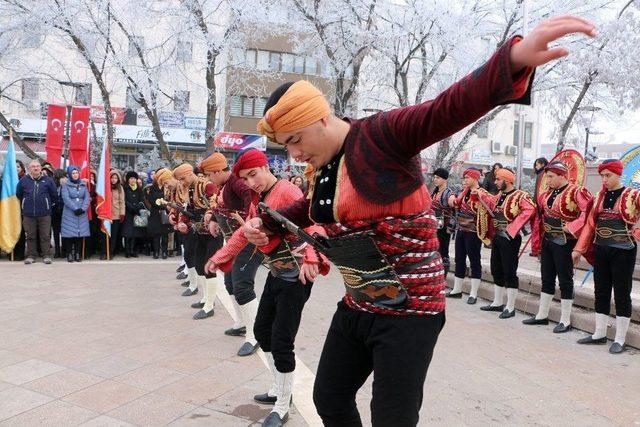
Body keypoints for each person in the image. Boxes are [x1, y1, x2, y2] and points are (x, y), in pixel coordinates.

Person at [239, 15, 595, 426]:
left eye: (295, 140)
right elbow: (309, 210)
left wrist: (512, 59)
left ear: (320, 118)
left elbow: (443, 110)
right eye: (287, 146)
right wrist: (266, 224)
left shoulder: (383, 136)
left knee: (392, 417)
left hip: (411, 308)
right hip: (359, 302)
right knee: (329, 397)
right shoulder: (322, 169)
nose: (295, 154)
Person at [205, 149, 329, 426]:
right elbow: (243, 232)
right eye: (246, 179)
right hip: (276, 274)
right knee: (262, 331)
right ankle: (278, 388)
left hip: (296, 278)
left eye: (254, 174)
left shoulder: (286, 191)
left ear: (265, 166)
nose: (251, 182)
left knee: (282, 340)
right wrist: (220, 257)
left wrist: (312, 255)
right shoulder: (259, 198)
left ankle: (284, 405)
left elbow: (316, 223)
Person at [573, 159, 640, 354]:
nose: (604, 179)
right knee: (601, 291)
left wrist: (635, 232)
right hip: (601, 248)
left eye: (608, 176)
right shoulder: (598, 196)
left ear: (618, 174)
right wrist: (578, 249)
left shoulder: (633, 195)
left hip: (623, 250)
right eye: (602, 176)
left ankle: (620, 338)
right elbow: (590, 225)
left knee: (621, 292)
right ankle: (599, 333)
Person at [201, 152, 264, 356]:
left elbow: (251, 198)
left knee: (242, 285)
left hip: (248, 241)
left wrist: (249, 218)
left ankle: (255, 336)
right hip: (235, 241)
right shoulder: (224, 186)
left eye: (210, 175)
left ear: (219, 171)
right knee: (230, 283)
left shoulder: (236, 182)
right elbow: (220, 207)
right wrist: (212, 217)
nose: (209, 179)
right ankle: (241, 323)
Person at [524, 161, 593, 332]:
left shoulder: (576, 191)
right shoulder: (548, 193)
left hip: (565, 241)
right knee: (546, 277)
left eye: (550, 177)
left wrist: (571, 226)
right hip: (548, 239)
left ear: (562, 175)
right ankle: (542, 314)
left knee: (565, 279)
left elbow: (588, 212)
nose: (547, 180)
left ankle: (565, 319)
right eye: (547, 177)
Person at [475, 168, 536, 317]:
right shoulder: (499, 195)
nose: (495, 182)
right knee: (496, 268)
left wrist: (513, 227)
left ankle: (510, 307)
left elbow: (530, 209)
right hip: (497, 236)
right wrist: (479, 195)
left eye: (498, 179)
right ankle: (497, 302)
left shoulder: (520, 195)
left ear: (507, 180)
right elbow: (489, 203)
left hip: (510, 238)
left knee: (509, 271)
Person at [172, 163, 223, 310]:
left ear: (189, 174)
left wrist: (209, 214)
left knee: (209, 267)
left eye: (182, 179)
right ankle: (206, 298)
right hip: (199, 232)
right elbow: (187, 210)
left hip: (213, 233)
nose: (181, 182)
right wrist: (183, 223)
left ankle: (209, 306)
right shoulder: (187, 189)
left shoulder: (206, 185)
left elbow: (216, 204)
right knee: (200, 265)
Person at [447, 168, 485, 303]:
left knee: (474, 260)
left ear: (475, 178)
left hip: (473, 232)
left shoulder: (482, 193)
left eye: (467, 178)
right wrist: (451, 196)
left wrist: (479, 197)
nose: (465, 180)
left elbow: (486, 208)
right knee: (459, 258)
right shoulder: (464, 192)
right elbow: (455, 201)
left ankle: (473, 293)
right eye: (464, 178)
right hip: (461, 230)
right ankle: (457, 289)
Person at [16, 159, 57, 264]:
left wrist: (46, 204)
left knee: (45, 236)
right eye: (33, 166)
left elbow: (54, 195)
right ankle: (31, 255)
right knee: (30, 236)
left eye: (37, 166)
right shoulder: (23, 180)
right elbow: (18, 194)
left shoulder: (48, 180)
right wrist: (26, 203)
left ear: (40, 168)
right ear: (29, 169)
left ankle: (46, 255)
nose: (35, 168)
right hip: (28, 214)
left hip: (44, 214)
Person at [60, 165, 91, 262]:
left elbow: (87, 198)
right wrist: (75, 208)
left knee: (79, 234)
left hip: (81, 213)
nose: (75, 175)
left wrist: (83, 208)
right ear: (69, 174)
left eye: (77, 173)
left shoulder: (83, 185)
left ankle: (78, 253)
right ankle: (69, 254)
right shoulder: (65, 186)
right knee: (70, 235)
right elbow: (66, 198)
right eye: (73, 173)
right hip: (70, 213)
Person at [431, 168, 454, 276]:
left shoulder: (448, 193)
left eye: (438, 177)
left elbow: (455, 210)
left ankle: (442, 277)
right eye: (434, 177)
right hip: (434, 226)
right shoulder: (435, 192)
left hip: (444, 228)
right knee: (434, 251)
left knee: (443, 252)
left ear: (445, 179)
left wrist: (451, 227)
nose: (435, 179)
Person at [145, 168, 172, 259]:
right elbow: (152, 201)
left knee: (165, 234)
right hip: (155, 213)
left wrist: (166, 206)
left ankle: (164, 251)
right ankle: (156, 252)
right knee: (156, 234)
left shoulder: (168, 187)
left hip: (165, 213)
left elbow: (170, 200)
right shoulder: (151, 188)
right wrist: (163, 205)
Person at [102, 169, 126, 259]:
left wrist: (122, 213)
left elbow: (121, 202)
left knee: (114, 235)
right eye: (112, 178)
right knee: (105, 235)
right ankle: (104, 252)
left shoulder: (120, 188)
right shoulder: (105, 187)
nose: (113, 179)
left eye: (115, 178)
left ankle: (111, 252)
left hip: (116, 215)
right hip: (106, 214)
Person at [122, 171, 146, 258]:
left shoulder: (139, 189)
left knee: (136, 234)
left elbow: (142, 200)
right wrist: (131, 207)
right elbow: (124, 200)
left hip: (137, 213)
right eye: (131, 178)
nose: (132, 180)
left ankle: (134, 251)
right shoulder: (125, 188)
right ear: (128, 180)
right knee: (127, 233)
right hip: (128, 213)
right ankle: (127, 251)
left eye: (134, 178)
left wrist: (138, 207)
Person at [51, 169, 67, 258]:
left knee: (64, 231)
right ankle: (57, 250)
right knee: (56, 232)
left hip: (64, 211)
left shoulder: (65, 186)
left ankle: (64, 250)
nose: (64, 178)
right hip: (54, 211)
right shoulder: (53, 186)